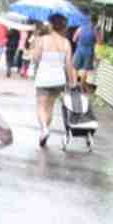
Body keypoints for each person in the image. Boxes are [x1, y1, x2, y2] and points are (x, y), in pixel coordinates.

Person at [32, 13, 78, 148]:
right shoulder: (66, 43)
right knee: (50, 107)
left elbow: (35, 59)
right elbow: (69, 64)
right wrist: (72, 82)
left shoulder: (43, 40)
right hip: (59, 80)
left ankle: (44, 129)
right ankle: (46, 130)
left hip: (44, 77)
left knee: (41, 106)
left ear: (51, 25)